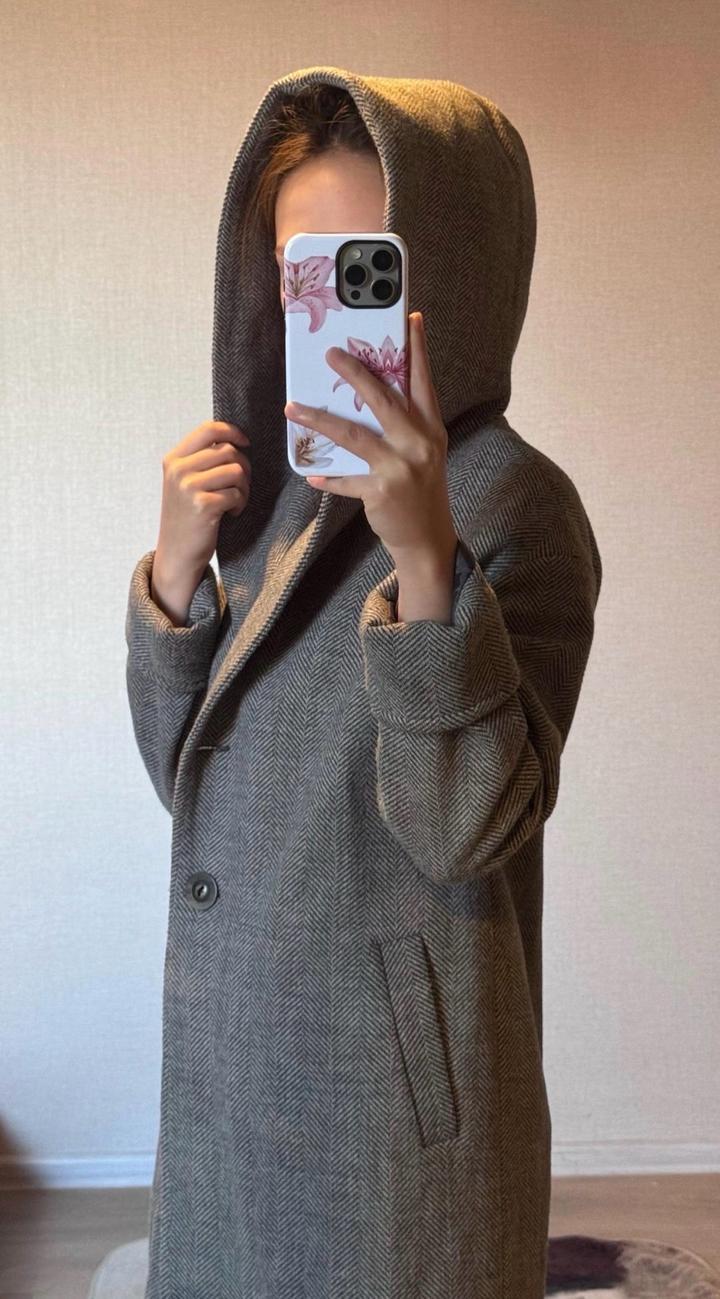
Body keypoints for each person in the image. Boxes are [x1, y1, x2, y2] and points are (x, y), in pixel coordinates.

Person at [125, 67, 602, 1299]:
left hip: (390, 1098)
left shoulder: (517, 505)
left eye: (369, 267)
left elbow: (465, 830)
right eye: (303, 267)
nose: (333, 306)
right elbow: (189, 785)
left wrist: (425, 556)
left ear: (456, 268)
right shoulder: (277, 490)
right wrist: (175, 577)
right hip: (239, 1046)